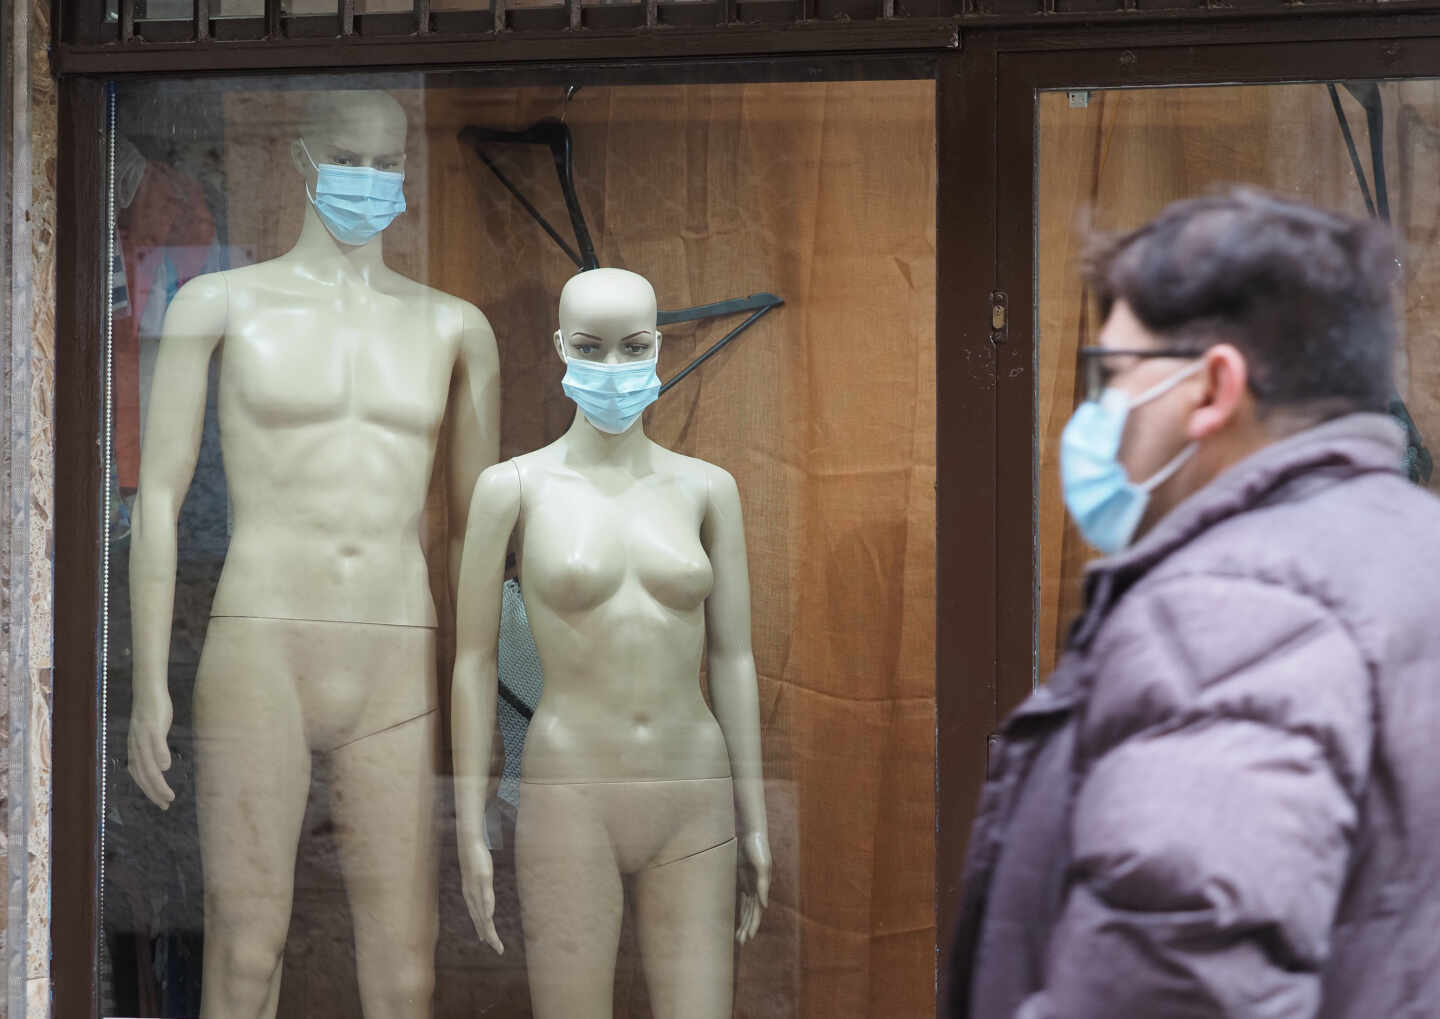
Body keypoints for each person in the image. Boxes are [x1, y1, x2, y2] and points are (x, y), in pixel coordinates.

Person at [948, 188, 1440, 1018]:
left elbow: (1173, 982)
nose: (1096, 416)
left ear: (1213, 386)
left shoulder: (1238, 612)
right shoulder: (1411, 544)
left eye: (1113, 376)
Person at [127, 90, 499, 1018]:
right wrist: (146, 682)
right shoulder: (218, 303)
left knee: (405, 963)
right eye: (347, 158)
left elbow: (480, 537)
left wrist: (485, 706)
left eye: (386, 164)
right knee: (246, 949)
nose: (367, 182)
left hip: (393, 650)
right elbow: (160, 498)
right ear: (298, 159)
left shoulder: (456, 328)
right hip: (263, 641)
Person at [451, 268, 771, 1019]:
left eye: (633, 347)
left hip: (692, 786)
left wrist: (754, 817)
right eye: (591, 348)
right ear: (560, 346)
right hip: (571, 789)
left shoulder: (707, 490)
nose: (614, 369)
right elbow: (473, 662)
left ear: (658, 346)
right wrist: (468, 821)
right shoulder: (512, 488)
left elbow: (733, 658)